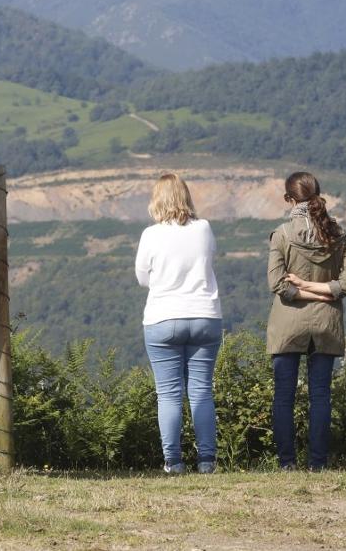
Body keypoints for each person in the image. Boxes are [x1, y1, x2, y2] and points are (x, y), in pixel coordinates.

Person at [266, 171, 346, 471]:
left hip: (288, 324)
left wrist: (303, 286)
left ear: (288, 200)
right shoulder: (339, 235)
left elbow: (278, 284)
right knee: (320, 395)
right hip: (326, 324)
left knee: (284, 396)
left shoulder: (281, 235)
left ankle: (287, 463)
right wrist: (323, 293)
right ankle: (318, 464)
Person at [134, 173, 223, 474]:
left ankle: (173, 462)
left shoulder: (150, 234)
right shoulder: (204, 228)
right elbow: (209, 260)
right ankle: (207, 461)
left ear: (156, 200)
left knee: (169, 393)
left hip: (162, 317)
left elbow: (142, 278)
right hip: (204, 315)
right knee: (201, 390)